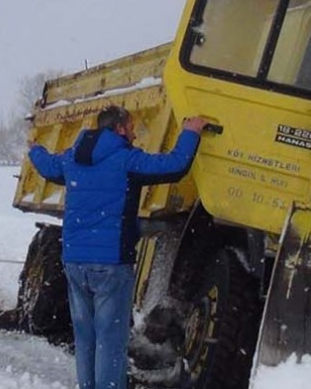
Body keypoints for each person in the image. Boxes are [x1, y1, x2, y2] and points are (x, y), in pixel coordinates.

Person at [29, 105, 207, 389]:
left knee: (86, 337)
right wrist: (190, 131)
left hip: (75, 260)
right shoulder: (125, 159)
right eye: (132, 127)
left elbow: (47, 166)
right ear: (120, 128)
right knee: (110, 341)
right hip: (110, 263)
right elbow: (174, 166)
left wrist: (34, 148)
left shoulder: (73, 157)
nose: (135, 134)